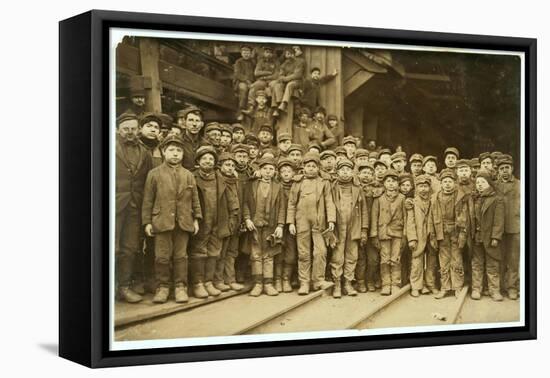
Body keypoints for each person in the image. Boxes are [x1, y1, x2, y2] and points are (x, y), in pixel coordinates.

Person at [141, 135, 202, 303]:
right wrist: (147, 222)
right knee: (162, 257)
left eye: (179, 151)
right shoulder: (154, 174)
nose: (175, 154)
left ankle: (180, 287)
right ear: (164, 152)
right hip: (161, 222)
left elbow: (195, 199)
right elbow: (147, 200)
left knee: (181, 256)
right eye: (172, 150)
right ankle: (162, 287)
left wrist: (196, 218)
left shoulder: (188, 175)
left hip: (183, 222)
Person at [190, 146, 240, 298]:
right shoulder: (192, 177)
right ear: (198, 161)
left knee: (214, 252)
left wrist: (231, 219)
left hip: (218, 221)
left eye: (211, 159)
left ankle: (208, 282)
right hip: (201, 221)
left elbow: (232, 202)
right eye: (204, 158)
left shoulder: (221, 179)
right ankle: (197, 283)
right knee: (198, 252)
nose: (208, 161)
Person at [115, 112, 153, 303]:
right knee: (110, 247)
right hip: (112, 205)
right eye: (125, 129)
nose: (129, 133)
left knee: (130, 248)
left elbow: (147, 180)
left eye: (133, 129)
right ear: (117, 130)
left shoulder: (145, 152)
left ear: (138, 130)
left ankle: (124, 287)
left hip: (134, 206)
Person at [287, 152, 336, 295]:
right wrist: (290, 222)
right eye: (308, 166)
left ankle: (318, 280)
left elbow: (329, 201)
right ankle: (304, 282)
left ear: (318, 167)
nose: (311, 169)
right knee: (303, 253)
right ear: (303, 167)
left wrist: (331, 220)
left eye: (314, 166)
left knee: (320, 251)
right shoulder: (297, 182)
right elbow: (291, 203)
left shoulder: (324, 182)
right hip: (301, 221)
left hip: (319, 222)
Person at [243, 156, 287, 296]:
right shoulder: (251, 185)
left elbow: (282, 208)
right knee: (256, 254)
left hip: (271, 225)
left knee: (269, 254)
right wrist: (247, 219)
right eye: (265, 169)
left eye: (271, 169)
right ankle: (257, 283)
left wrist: (280, 225)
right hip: (255, 225)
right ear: (260, 170)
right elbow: (245, 203)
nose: (268, 171)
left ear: (274, 172)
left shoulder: (278, 187)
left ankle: (268, 284)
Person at [330, 159, 369, 298]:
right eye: (342, 170)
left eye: (348, 170)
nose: (345, 173)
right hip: (338, 227)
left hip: (354, 227)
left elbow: (364, 210)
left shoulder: (358, 189)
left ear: (353, 172)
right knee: (337, 255)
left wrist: (364, 229)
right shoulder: (332, 187)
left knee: (352, 255)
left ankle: (348, 282)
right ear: (337, 172)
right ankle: (337, 284)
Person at [428, 168, 468, 299]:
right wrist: (433, 235)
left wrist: (462, 234)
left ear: (454, 182)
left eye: (450, 181)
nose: (447, 184)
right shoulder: (435, 198)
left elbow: (464, 216)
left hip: (456, 232)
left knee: (456, 259)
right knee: (443, 260)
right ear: (441, 183)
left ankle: (457, 287)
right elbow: (431, 218)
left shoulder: (460, 197)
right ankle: (445, 287)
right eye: (444, 181)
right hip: (441, 232)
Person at [470, 170, 505, 301]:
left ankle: (494, 290)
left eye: (482, 182)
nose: (479, 185)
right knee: (477, 263)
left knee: (492, 264)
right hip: (477, 237)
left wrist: (496, 237)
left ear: (489, 183)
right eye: (477, 182)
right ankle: (476, 289)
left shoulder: (497, 199)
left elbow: (499, 221)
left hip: (490, 238)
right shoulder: (474, 198)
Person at [370, 169, 406, 295]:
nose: (391, 184)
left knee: (395, 258)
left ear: (398, 184)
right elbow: (374, 217)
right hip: (383, 232)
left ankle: (395, 283)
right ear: (384, 183)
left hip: (397, 232)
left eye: (394, 181)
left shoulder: (402, 198)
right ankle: (386, 284)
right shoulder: (378, 199)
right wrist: (374, 235)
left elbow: (406, 218)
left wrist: (405, 235)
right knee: (384, 259)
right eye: (388, 181)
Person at [405, 174, 439, 297]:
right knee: (417, 261)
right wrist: (412, 238)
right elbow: (410, 222)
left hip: (432, 236)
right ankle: (416, 285)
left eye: (425, 186)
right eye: (420, 186)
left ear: (430, 187)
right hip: (418, 236)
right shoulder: (412, 203)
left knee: (431, 261)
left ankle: (430, 284)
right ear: (416, 188)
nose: (423, 189)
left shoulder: (434, 201)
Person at [495, 155, 520, 300]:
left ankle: (512, 288)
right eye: (501, 168)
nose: (504, 171)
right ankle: (498, 287)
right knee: (499, 258)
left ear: (512, 169)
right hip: (498, 230)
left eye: (507, 168)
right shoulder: (494, 185)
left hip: (515, 227)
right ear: (498, 170)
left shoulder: (519, 185)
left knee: (513, 259)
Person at [274, 158, 298, 293]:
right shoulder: (276, 186)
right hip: (278, 224)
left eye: (289, 171)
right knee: (278, 252)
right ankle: (277, 280)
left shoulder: (297, 186)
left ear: (294, 173)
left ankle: (286, 279)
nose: (286, 174)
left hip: (293, 226)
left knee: (291, 253)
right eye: (283, 171)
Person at [270, 47, 304, 117]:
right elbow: (281, 74)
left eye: (290, 54)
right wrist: (282, 78)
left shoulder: (300, 62)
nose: (289, 56)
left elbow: (297, 75)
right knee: (277, 85)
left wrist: (285, 79)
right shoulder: (285, 63)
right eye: (287, 54)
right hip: (286, 81)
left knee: (290, 84)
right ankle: (276, 107)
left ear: (294, 54)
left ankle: (284, 103)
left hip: (297, 82)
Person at [246, 45, 279, 110]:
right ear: (264, 53)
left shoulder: (276, 62)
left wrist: (265, 77)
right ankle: (251, 106)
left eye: (270, 52)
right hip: (262, 81)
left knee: (275, 86)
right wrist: (268, 73)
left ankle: (275, 108)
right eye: (267, 52)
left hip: (271, 81)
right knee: (253, 87)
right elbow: (256, 73)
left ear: (272, 54)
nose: (268, 54)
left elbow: (276, 75)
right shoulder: (261, 62)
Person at [233, 44, 256, 117]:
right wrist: (246, 81)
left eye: (248, 52)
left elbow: (255, 73)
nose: (246, 54)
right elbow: (237, 74)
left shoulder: (253, 62)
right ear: (241, 53)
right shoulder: (238, 62)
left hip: (252, 82)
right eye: (244, 52)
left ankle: (251, 109)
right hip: (241, 82)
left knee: (256, 89)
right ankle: (241, 111)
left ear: (250, 53)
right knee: (243, 88)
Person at [179, 106, 204, 170]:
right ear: (184, 122)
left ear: (201, 124)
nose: (194, 124)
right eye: (191, 120)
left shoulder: (206, 144)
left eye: (197, 121)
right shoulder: (178, 141)